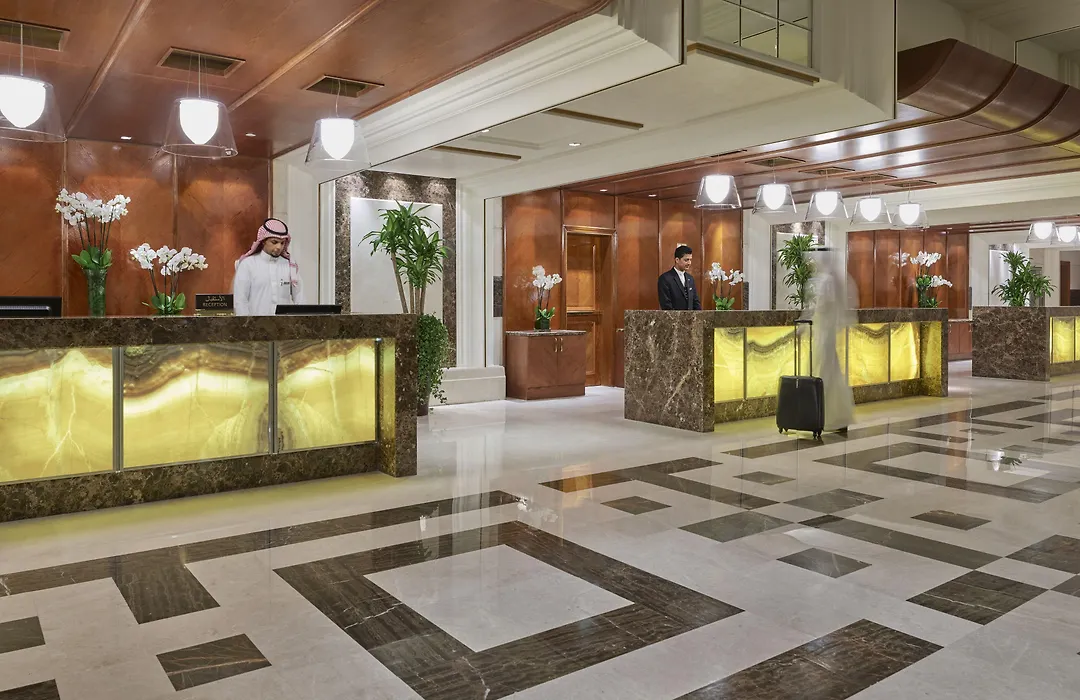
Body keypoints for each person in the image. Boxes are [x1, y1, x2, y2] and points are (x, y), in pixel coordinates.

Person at [802, 247, 856, 432]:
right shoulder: (829, 279)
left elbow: (823, 307)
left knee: (824, 370)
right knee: (826, 369)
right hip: (823, 332)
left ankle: (825, 415)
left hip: (824, 333)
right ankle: (828, 415)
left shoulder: (826, 281)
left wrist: (808, 319)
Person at [232, 218, 305, 316]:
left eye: (282, 243)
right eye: (274, 242)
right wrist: (247, 324)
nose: (279, 247)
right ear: (263, 241)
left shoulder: (289, 266)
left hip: (284, 325)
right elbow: (240, 301)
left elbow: (300, 299)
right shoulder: (248, 265)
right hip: (255, 324)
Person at [658, 245, 702, 310]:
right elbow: (666, 305)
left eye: (690, 260)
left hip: (691, 316)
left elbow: (695, 302)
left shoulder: (690, 279)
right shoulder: (665, 279)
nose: (689, 263)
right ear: (677, 260)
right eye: (686, 260)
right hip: (673, 316)